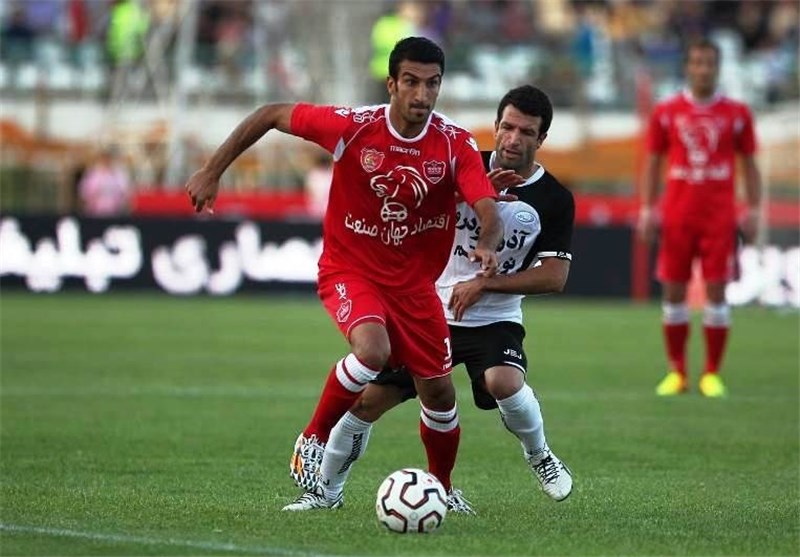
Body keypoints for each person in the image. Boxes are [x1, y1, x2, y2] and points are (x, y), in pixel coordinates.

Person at [184, 36, 502, 509]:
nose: (422, 95)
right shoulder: (353, 127)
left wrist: (487, 242)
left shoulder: (454, 143)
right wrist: (212, 171)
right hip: (351, 269)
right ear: (391, 84)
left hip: (416, 287)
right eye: (411, 82)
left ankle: (442, 490)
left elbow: (486, 206)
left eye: (432, 84)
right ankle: (312, 438)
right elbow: (270, 113)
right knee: (373, 350)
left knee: (439, 393)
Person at [286, 85, 575, 513]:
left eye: (526, 132)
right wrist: (468, 194)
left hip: (493, 319)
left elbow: (554, 277)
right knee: (367, 402)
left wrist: (485, 285)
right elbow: (412, 203)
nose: (514, 139)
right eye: (507, 127)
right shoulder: (460, 161)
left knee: (503, 382)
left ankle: (540, 455)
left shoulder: (554, 199)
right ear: (495, 126)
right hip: (427, 306)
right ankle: (324, 492)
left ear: (542, 138)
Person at [637, 38, 762, 398]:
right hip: (677, 215)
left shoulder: (737, 114)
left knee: (717, 291)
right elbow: (653, 161)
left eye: (709, 63)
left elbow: (749, 163)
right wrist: (647, 208)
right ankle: (677, 372)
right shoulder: (667, 111)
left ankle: (711, 374)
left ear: (718, 67)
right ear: (687, 67)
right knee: (674, 291)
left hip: (719, 217)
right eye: (697, 62)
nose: (703, 69)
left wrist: (753, 208)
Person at [78, 147, 133, 217]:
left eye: (108, 159)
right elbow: (84, 189)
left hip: (115, 209)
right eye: (103, 159)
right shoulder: (93, 172)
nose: (106, 161)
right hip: (95, 209)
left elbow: (125, 189)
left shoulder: (118, 173)